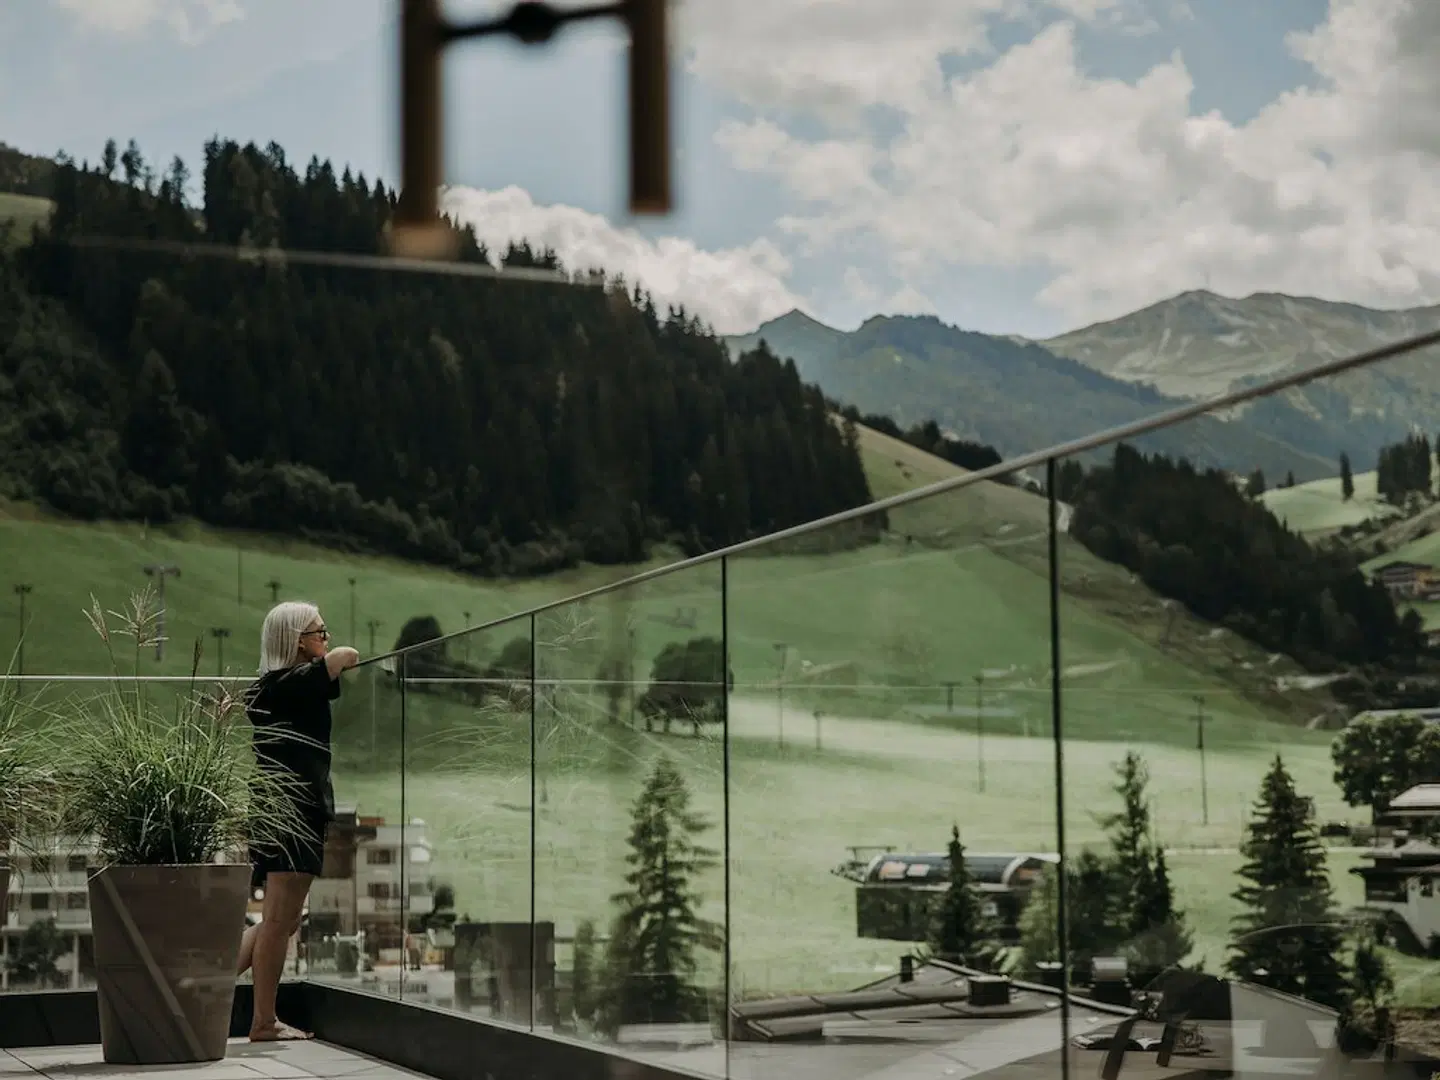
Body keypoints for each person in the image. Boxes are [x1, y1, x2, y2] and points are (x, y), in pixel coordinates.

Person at [237, 601, 359, 1041]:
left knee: (282, 919)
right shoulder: (287, 683)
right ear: (297, 641)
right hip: (292, 809)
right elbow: (345, 657)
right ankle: (263, 1021)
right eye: (318, 630)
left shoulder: (277, 687)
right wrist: (330, 655)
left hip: (286, 808)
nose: (325, 637)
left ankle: (205, 985)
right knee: (278, 920)